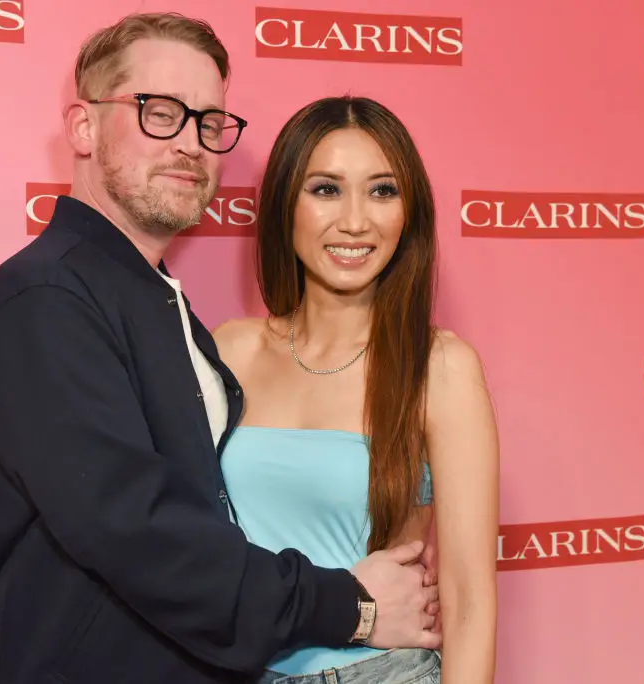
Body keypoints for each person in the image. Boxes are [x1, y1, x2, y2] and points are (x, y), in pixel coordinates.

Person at [0, 13, 442, 684]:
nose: (190, 143)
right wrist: (349, 604)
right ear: (84, 127)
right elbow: (143, 533)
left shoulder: (158, 303)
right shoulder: (45, 299)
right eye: (159, 112)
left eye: (209, 123)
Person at [212, 95, 500, 683]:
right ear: (284, 205)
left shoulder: (439, 368)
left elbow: (470, 602)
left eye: (382, 191)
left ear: (408, 213)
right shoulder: (229, 351)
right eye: (325, 189)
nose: (355, 221)